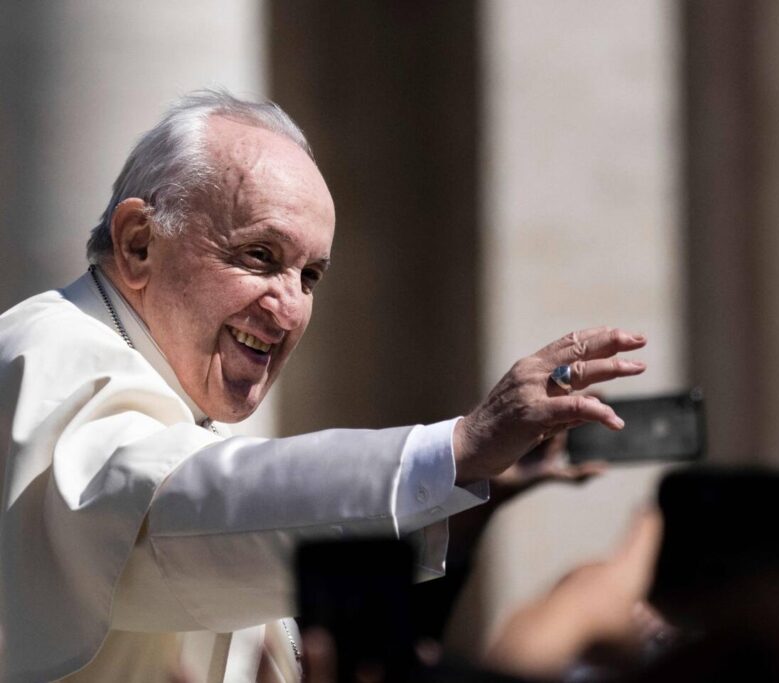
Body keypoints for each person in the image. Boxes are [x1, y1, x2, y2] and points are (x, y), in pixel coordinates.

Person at [0, 89, 647, 683]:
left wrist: (470, 494)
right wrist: (456, 447)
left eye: (309, 276)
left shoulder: (171, 394)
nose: (288, 311)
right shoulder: (48, 350)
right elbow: (163, 513)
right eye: (260, 256)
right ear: (139, 243)